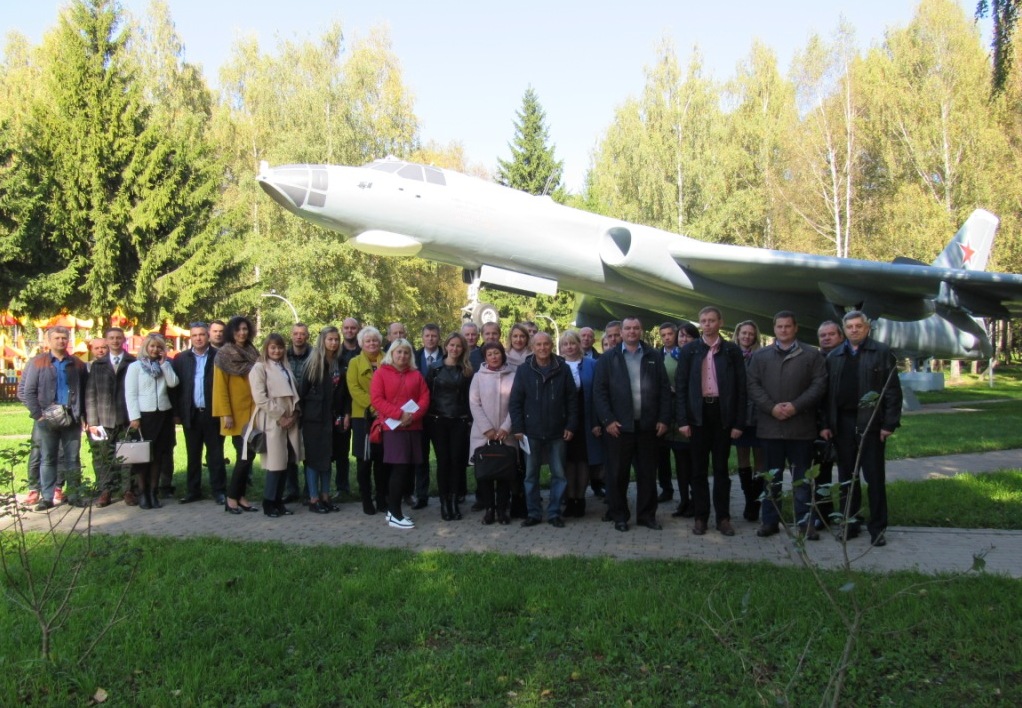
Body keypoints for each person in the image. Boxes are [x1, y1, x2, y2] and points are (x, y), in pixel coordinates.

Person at [820, 311, 902, 547]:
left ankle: (877, 528)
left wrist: (889, 424)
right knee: (847, 478)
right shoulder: (834, 356)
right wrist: (826, 424)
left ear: (867, 328)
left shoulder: (881, 352)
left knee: (874, 477)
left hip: (871, 424)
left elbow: (892, 391)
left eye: (858, 326)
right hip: (842, 424)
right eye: (850, 327)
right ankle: (850, 524)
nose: (854, 330)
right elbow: (826, 397)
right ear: (844, 330)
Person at [747, 311, 828, 540]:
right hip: (770, 427)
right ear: (774, 329)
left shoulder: (811, 355)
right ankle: (770, 521)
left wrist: (796, 406)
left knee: (802, 479)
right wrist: (772, 408)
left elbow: (819, 384)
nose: (783, 330)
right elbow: (752, 385)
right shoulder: (761, 356)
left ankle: (805, 523)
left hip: (800, 427)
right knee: (771, 479)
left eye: (787, 326)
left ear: (795, 328)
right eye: (779, 326)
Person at [593, 316, 671, 532]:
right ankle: (620, 516)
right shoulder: (609, 358)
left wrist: (664, 419)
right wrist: (608, 420)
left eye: (636, 328)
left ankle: (646, 516)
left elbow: (664, 390)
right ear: (621, 331)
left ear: (641, 330)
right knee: (618, 475)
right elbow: (599, 393)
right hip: (618, 428)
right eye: (627, 328)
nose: (631, 332)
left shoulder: (653, 356)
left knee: (647, 474)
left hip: (648, 427)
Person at [676, 306, 746, 537]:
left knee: (721, 469)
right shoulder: (690, 351)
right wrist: (683, 420)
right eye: (703, 321)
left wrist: (738, 423)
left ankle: (723, 518)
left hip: (722, 415)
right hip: (697, 415)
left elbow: (741, 390)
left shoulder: (732, 351)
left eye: (711, 320)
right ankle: (700, 517)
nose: (707, 324)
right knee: (698, 470)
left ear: (720, 323)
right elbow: (682, 387)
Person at [509, 331, 578, 528]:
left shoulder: (562, 368)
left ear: (551, 346)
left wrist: (571, 425)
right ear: (532, 347)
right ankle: (534, 513)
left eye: (546, 344)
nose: (542, 348)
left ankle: (555, 513)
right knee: (531, 476)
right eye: (538, 345)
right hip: (531, 432)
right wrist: (518, 428)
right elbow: (516, 402)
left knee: (559, 474)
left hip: (558, 431)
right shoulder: (524, 370)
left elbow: (572, 400)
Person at [21, 326, 88, 511]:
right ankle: (47, 497)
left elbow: (85, 391)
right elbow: (28, 391)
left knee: (72, 458)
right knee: (48, 458)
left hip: (71, 417)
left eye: (64, 338)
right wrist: (38, 415)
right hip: (46, 418)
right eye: (57, 338)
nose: (61, 341)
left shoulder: (77, 363)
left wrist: (83, 415)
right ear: (49, 341)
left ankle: (74, 494)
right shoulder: (38, 362)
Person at [370, 338, 430, 529]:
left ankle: (392, 512)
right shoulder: (381, 373)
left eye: (406, 352)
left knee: (407, 469)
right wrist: (400, 414)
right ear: (392, 354)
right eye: (399, 352)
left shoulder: (416, 374)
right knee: (399, 470)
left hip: (413, 427)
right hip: (393, 428)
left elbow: (425, 397)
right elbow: (377, 399)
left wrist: (413, 416)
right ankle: (395, 513)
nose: (402, 355)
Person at [172, 322, 226, 505]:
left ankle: (219, 491)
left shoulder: (219, 356)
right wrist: (178, 413)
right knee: (192, 455)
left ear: (208, 336)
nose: (198, 338)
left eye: (202, 334)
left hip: (213, 413)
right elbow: (177, 389)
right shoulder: (181, 359)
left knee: (216, 455)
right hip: (191, 413)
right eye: (194, 335)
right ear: (190, 337)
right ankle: (193, 490)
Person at [249, 333, 303, 518]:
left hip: (289, 421)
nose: (276, 351)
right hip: (272, 420)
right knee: (275, 464)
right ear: (266, 348)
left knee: (286, 462)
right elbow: (260, 398)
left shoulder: (284, 367)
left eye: (279, 347)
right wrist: (280, 416)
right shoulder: (259, 368)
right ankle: (269, 502)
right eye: (273, 347)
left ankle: (279, 502)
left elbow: (293, 393)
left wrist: (294, 413)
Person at [124, 333, 180, 510]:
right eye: (152, 346)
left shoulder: (165, 365)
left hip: (162, 413)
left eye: (159, 347)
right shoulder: (136, 367)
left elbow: (173, 383)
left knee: (158, 456)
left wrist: (164, 364)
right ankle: (142, 492)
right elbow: (130, 394)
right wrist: (134, 417)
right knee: (143, 457)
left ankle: (153, 492)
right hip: (144, 416)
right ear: (146, 347)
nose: (155, 350)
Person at [213, 315, 260, 514]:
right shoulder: (223, 354)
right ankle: (231, 498)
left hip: (254, 412)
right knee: (244, 456)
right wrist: (226, 414)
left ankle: (240, 496)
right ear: (231, 333)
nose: (242, 333)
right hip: (235, 413)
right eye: (238, 330)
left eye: (245, 329)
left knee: (248, 457)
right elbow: (220, 388)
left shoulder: (252, 351)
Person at [86, 327, 137, 507]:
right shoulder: (98, 365)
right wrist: (92, 421)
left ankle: (127, 490)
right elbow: (90, 394)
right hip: (103, 417)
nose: (115, 341)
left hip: (126, 417)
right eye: (111, 338)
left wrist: (136, 416)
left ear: (123, 339)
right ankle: (105, 490)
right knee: (104, 457)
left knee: (128, 457)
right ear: (106, 341)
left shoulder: (133, 362)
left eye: (118, 337)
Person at [425, 332, 473, 521]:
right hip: (438, 421)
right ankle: (444, 503)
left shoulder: (467, 370)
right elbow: (427, 395)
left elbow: (470, 397)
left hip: (459, 421)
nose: (454, 349)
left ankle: (454, 500)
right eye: (451, 345)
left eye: (458, 346)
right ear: (446, 347)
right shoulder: (434, 369)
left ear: (463, 349)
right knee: (443, 462)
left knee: (456, 462)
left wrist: (469, 420)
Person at [468, 342, 517, 525]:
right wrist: (487, 429)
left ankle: (502, 510)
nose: (494, 357)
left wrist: (506, 427)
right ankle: (489, 509)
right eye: (490, 354)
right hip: (483, 434)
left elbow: (516, 403)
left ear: (502, 355)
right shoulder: (478, 377)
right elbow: (474, 404)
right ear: (485, 357)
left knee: (504, 474)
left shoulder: (513, 376)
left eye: (497, 353)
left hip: (506, 434)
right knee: (485, 474)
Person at [558, 330, 602, 518]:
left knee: (583, 460)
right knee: (567, 461)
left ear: (579, 344)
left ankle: (581, 499)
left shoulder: (592, 364)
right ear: (561, 347)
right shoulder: (557, 366)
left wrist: (597, 421)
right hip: (564, 421)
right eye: (565, 344)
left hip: (587, 420)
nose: (570, 347)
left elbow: (599, 394)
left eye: (573, 343)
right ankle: (569, 499)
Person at [300, 326, 342, 513]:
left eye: (336, 339)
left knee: (327, 459)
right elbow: (303, 392)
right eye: (330, 339)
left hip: (331, 419)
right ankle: (313, 498)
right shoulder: (313, 362)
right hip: (314, 419)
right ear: (323, 341)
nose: (333, 343)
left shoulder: (337, 362)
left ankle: (326, 496)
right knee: (313, 460)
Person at [347, 326, 387, 515]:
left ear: (380, 342)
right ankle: (366, 499)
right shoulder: (354, 362)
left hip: (385, 417)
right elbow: (354, 388)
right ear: (361, 343)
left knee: (382, 461)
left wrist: (383, 409)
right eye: (368, 341)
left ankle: (381, 498)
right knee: (364, 460)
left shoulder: (388, 360)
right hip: (362, 417)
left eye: (375, 340)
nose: (372, 343)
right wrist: (375, 406)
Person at [734, 320, 766, 522]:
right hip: (739, 416)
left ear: (755, 336)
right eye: (743, 333)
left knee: (760, 460)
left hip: (759, 414)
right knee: (742, 457)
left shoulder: (761, 357)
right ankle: (748, 499)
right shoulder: (730, 355)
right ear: (737, 335)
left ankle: (756, 502)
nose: (746, 337)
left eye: (750, 334)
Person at [814, 320, 845, 526]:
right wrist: (823, 424)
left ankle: (848, 513)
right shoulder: (815, 359)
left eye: (831, 334)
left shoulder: (849, 357)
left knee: (847, 473)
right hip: (821, 424)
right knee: (821, 473)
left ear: (840, 336)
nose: (826, 338)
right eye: (822, 335)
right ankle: (823, 515)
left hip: (847, 422)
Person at [668, 322, 699, 517]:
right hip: (674, 419)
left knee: (695, 463)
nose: (683, 339)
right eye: (681, 336)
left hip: (694, 418)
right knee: (680, 464)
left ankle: (697, 500)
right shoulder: (668, 358)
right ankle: (684, 500)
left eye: (688, 336)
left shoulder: (700, 357)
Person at [412, 323, 443, 509]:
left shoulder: (447, 357)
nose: (430, 339)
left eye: (434, 335)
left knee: (443, 457)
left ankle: (445, 494)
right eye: (427, 336)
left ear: (439, 338)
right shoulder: (413, 357)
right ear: (422, 338)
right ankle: (421, 495)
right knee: (420, 458)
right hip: (418, 416)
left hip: (440, 415)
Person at [284, 323, 312, 501]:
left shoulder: (315, 355)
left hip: (309, 408)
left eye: (302, 334)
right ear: (291, 336)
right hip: (289, 409)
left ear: (307, 336)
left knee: (309, 452)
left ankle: (309, 490)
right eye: (296, 333)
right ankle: (291, 489)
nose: (299, 337)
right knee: (289, 452)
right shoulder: (283, 355)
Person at [333, 317, 361, 496]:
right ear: (342, 330)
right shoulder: (336, 353)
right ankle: (342, 487)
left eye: (353, 328)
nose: (349, 330)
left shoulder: (363, 351)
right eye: (346, 328)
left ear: (358, 330)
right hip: (339, 407)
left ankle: (362, 485)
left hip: (359, 406)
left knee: (360, 450)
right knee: (341, 450)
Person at [656, 322, 679, 503]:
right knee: (662, 455)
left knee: (681, 454)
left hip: (680, 410)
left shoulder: (683, 353)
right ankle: (666, 488)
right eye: (663, 335)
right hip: (662, 411)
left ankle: (685, 490)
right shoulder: (656, 356)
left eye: (670, 334)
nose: (667, 338)